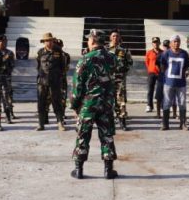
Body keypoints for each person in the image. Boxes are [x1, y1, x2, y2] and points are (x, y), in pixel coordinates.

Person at [71, 30, 118, 180]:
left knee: (83, 135)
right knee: (107, 135)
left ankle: (79, 170)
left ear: (92, 41)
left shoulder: (85, 59)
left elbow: (77, 86)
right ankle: (108, 170)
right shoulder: (112, 58)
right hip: (106, 103)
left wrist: (75, 105)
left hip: (88, 104)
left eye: (88, 39)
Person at [36, 32, 68, 131]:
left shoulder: (59, 52)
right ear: (44, 42)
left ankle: (60, 123)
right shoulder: (40, 52)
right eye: (46, 41)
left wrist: (59, 77)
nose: (48, 43)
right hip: (42, 82)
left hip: (55, 81)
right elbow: (38, 66)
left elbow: (63, 67)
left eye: (50, 40)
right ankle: (41, 124)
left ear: (53, 41)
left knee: (57, 102)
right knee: (41, 103)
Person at [159, 35, 189, 131]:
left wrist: (183, 74)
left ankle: (183, 123)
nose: (176, 43)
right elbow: (162, 66)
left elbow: (186, 66)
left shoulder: (184, 53)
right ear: (171, 43)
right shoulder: (166, 53)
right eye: (174, 41)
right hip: (169, 83)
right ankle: (165, 124)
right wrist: (166, 77)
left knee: (182, 103)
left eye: (178, 41)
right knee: (167, 103)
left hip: (181, 83)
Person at [109, 30, 133, 130]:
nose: (115, 38)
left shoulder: (124, 50)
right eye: (113, 36)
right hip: (107, 79)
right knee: (107, 101)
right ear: (110, 38)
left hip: (119, 79)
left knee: (121, 101)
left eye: (117, 36)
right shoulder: (105, 49)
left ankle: (122, 121)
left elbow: (130, 62)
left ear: (119, 38)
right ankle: (109, 121)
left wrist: (123, 72)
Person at [0, 35, 16, 123]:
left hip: (5, 78)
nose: (1, 43)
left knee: (6, 98)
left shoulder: (9, 53)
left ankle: (8, 116)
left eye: (3, 41)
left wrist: (4, 71)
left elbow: (12, 65)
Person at [145, 36, 162, 114]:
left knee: (160, 90)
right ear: (152, 44)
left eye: (157, 42)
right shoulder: (149, 52)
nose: (156, 44)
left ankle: (161, 104)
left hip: (160, 73)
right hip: (151, 73)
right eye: (154, 43)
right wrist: (150, 69)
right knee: (150, 90)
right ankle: (149, 105)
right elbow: (147, 62)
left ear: (159, 43)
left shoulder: (163, 52)